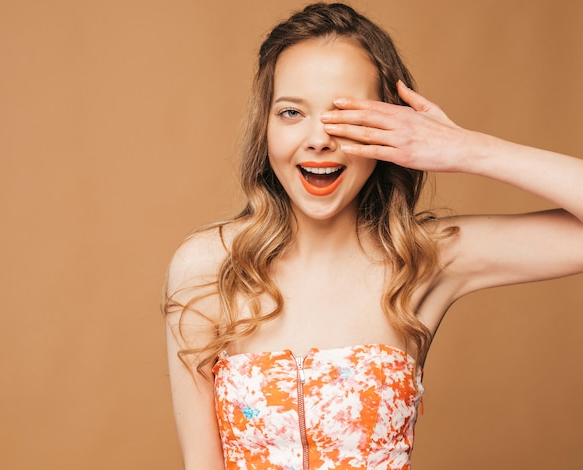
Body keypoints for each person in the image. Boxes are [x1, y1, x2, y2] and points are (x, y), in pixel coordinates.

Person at [163, 3, 583, 469]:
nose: (319, 138)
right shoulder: (208, 267)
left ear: (390, 130)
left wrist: (468, 149)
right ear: (264, 127)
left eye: (347, 116)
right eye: (290, 112)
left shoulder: (427, 257)